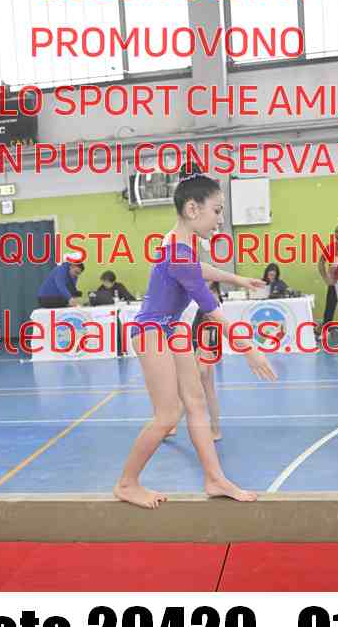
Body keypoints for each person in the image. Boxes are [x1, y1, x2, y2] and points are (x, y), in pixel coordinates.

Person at [113, 164, 277, 510]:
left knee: (196, 402)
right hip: (152, 331)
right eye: (217, 211)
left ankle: (215, 478)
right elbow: (210, 307)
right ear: (192, 209)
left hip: (172, 328)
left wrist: (237, 279)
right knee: (167, 415)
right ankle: (127, 483)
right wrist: (249, 349)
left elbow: (198, 269)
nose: (220, 220)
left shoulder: (179, 243)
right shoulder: (178, 250)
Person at [167, 281, 224, 441]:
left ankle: (172, 425)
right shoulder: (211, 302)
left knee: (194, 392)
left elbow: (207, 331)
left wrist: (201, 359)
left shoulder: (208, 304)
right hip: (204, 350)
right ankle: (173, 426)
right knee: (203, 392)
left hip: (204, 351)